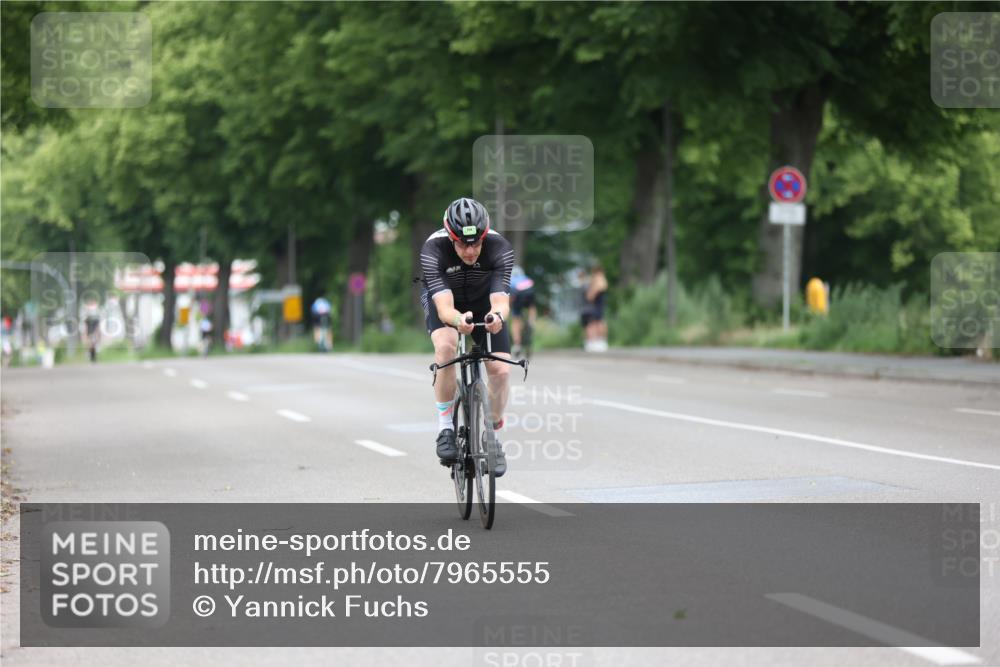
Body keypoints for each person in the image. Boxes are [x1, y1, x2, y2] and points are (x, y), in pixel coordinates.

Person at [419, 197, 514, 477]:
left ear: (485, 235)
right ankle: (445, 427)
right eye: (461, 243)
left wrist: (496, 318)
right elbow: (445, 309)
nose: (470, 250)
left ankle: (493, 434)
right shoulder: (433, 249)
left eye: (475, 243)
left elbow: (501, 301)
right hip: (446, 302)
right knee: (446, 347)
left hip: (484, 300)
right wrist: (459, 320)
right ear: (450, 237)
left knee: (501, 370)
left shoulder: (500, 248)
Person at [509, 265, 537, 359]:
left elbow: (509, 299)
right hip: (530, 290)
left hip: (516, 293)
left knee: (515, 319)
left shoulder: (511, 280)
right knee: (531, 306)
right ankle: (531, 321)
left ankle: (517, 345)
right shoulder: (526, 279)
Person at [583, 261, 608, 352]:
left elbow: (591, 294)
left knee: (598, 322)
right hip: (598, 303)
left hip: (597, 304)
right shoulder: (601, 278)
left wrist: (591, 293)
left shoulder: (599, 278)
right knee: (597, 321)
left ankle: (599, 341)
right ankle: (598, 341)